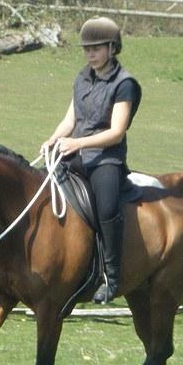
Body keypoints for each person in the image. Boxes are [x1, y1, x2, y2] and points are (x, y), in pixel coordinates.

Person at [41, 16, 142, 304]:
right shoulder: (82, 77)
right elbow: (70, 119)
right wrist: (52, 139)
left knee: (107, 208)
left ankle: (112, 277)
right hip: (74, 154)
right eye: (87, 49)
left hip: (105, 159)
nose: (90, 53)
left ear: (112, 47)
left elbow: (116, 132)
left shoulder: (125, 84)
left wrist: (77, 142)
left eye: (96, 48)